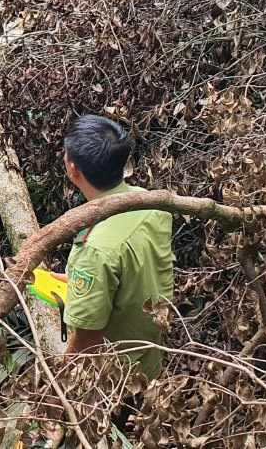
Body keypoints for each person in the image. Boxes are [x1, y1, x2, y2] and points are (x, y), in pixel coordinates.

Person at [60, 115, 174, 430]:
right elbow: (126, 278)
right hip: (149, 360)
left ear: (73, 169)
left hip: (116, 385)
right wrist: (48, 283)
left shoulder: (95, 249)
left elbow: (87, 339)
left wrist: (54, 395)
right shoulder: (149, 204)